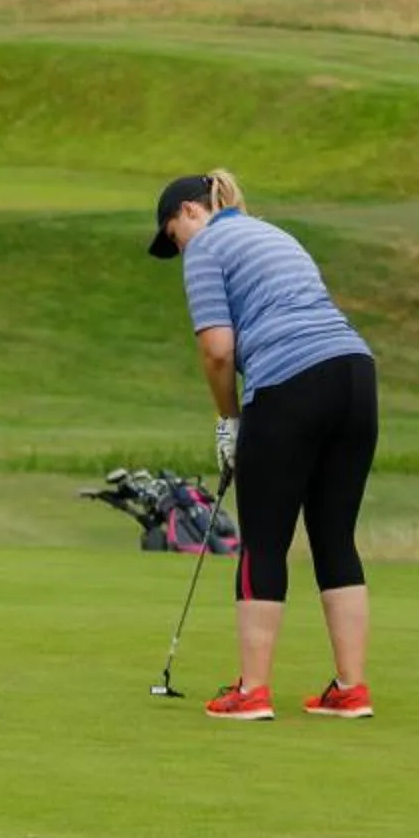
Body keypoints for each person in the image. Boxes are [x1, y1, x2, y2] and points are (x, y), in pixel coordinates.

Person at [148, 168, 379, 721]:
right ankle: (351, 688)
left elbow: (219, 352)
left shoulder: (206, 247)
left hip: (291, 381)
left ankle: (251, 691)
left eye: (172, 236)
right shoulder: (273, 234)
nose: (179, 249)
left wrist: (228, 421)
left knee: (264, 541)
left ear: (188, 212)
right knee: (333, 537)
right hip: (355, 376)